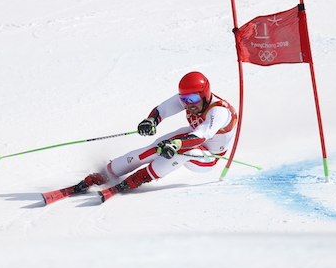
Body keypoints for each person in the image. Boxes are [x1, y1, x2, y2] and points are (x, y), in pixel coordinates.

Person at [71, 71, 238, 202]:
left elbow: (201, 136)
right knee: (156, 147)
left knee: (183, 151)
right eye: (184, 99)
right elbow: (163, 109)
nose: (188, 104)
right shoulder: (190, 98)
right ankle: (108, 172)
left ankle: (139, 178)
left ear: (205, 94)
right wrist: (152, 121)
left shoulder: (219, 111)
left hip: (208, 157)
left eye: (193, 98)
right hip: (191, 138)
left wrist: (177, 144)